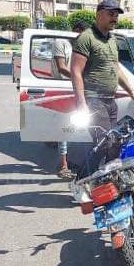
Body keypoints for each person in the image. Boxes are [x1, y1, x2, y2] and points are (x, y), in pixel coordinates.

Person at [69, 0, 134, 174]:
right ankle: (83, 180)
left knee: (115, 143)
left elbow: (115, 68)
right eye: (111, 14)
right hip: (93, 100)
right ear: (98, 14)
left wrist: (131, 92)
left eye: (116, 15)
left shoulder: (111, 39)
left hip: (110, 100)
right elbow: (75, 71)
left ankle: (107, 180)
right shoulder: (86, 38)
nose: (114, 18)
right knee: (104, 143)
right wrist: (81, 103)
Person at [52, 20, 89, 179]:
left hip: (76, 87)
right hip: (62, 88)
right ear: (77, 30)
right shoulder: (60, 42)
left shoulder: (79, 45)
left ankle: (69, 160)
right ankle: (63, 165)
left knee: (75, 126)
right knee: (64, 129)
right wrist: (79, 78)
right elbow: (61, 67)